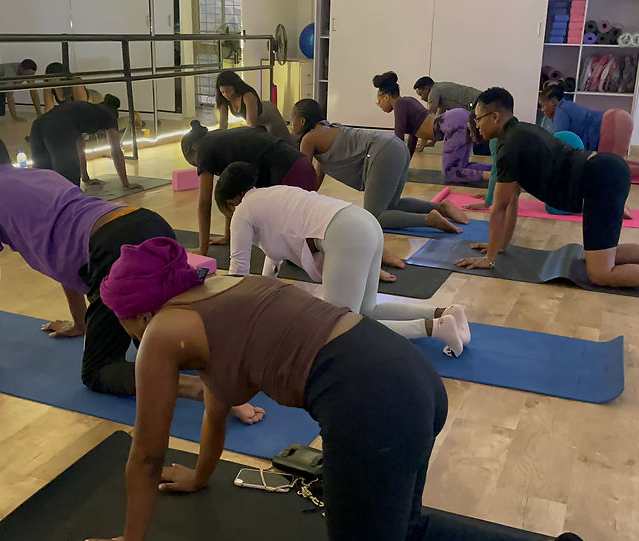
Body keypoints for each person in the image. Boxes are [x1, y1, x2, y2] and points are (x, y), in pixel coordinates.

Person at [69, 236, 516, 541]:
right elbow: (216, 403)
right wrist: (200, 476)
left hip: (371, 405)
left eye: (121, 319)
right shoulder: (221, 292)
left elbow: (146, 457)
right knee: (406, 533)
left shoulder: (162, 333)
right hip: (413, 379)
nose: (126, 331)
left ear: (141, 314)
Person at [0, 130, 263, 424]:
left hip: (112, 249)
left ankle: (200, 390)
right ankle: (235, 368)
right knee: (157, 337)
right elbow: (61, 253)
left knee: (99, 371)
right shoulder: (40, 176)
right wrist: (80, 323)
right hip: (145, 222)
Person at [456, 87, 639, 295]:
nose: (476, 125)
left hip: (599, 179)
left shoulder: (508, 147)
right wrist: (500, 247)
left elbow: (500, 208)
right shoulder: (522, 132)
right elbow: (512, 199)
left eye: (479, 118)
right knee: (607, 253)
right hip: (604, 170)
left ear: (495, 117)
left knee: (601, 273)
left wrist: (489, 259)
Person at [217, 162, 470, 356]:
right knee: (368, 310)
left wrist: (229, 318)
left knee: (340, 327)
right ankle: (445, 313)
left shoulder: (242, 212)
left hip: (345, 233)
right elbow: (272, 262)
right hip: (362, 221)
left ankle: (435, 328)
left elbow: (238, 273)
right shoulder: (272, 194)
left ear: (231, 201)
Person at [293, 98, 468, 233]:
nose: (291, 125)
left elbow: (303, 174)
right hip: (395, 146)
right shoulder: (328, 129)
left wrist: (292, 203)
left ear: (301, 121)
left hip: (382, 152)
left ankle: (430, 220)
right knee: (390, 207)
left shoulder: (309, 139)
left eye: (292, 119)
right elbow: (315, 177)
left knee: (374, 215)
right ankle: (440, 208)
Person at [180, 120, 318, 256]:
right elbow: (231, 193)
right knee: (292, 243)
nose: (200, 168)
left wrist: (202, 249)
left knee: (296, 249)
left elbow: (204, 203)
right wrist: (228, 237)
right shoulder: (220, 141)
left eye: (195, 163)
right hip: (303, 166)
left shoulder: (205, 148)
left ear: (193, 149)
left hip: (290, 174)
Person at [373, 71, 490, 184]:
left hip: (453, 124)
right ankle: (497, 169)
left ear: (386, 97)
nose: (379, 106)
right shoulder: (407, 101)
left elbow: (398, 139)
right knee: (462, 166)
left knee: (450, 173)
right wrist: (404, 165)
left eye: (379, 101)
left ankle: (492, 176)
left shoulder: (400, 105)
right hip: (458, 118)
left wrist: (392, 167)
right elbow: (412, 138)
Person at [538, 85, 639, 181]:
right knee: (614, 163)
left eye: (544, 106)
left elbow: (560, 141)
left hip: (613, 123)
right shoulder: (566, 105)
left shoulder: (560, 112)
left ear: (553, 102)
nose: (543, 110)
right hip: (617, 119)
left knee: (609, 170)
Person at [29, 95, 142, 191]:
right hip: (60, 127)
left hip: (38, 124)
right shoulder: (109, 115)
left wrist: (85, 178)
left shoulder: (86, 110)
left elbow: (80, 147)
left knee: (42, 177)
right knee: (68, 182)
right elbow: (116, 150)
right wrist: (126, 184)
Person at [215, 70, 292, 143]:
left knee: (284, 141)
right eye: (223, 92)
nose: (226, 95)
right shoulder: (223, 98)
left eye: (228, 91)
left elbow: (251, 125)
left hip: (269, 114)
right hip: (257, 119)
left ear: (235, 86)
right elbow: (223, 123)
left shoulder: (248, 95)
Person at [413, 76, 482, 115]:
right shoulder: (440, 90)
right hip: (479, 99)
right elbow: (438, 118)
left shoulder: (434, 91)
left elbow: (429, 116)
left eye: (421, 94)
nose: (421, 98)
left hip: (476, 103)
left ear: (426, 88)